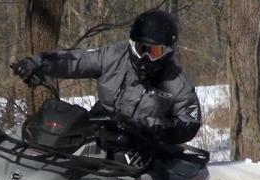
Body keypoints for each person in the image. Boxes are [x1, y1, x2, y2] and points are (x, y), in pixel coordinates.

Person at [12, 9, 201, 147]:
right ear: (131, 44)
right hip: (99, 129)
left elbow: (189, 124)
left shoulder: (178, 85)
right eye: (141, 49)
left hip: (143, 145)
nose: (145, 58)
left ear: (168, 51)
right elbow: (78, 60)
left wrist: (150, 127)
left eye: (154, 52)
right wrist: (38, 63)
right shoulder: (114, 56)